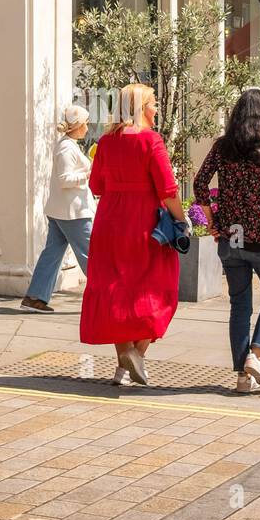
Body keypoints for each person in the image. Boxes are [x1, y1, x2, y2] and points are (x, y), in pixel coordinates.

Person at [193, 88, 260, 395]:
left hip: (232, 238)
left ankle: (243, 377)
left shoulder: (223, 146)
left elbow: (200, 182)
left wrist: (211, 220)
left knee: (239, 305)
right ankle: (257, 355)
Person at [80, 83, 186, 387]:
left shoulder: (106, 141)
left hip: (109, 224)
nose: (156, 109)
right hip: (144, 226)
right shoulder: (151, 141)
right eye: (153, 103)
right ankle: (137, 352)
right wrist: (182, 222)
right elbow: (168, 190)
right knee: (158, 290)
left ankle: (123, 366)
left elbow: (96, 187)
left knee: (116, 293)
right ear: (141, 107)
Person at [19, 105, 95, 314]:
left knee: (51, 254)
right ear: (78, 125)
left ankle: (35, 297)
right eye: (86, 123)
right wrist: (89, 174)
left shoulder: (67, 145)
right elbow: (64, 179)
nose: (88, 127)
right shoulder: (66, 148)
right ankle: (106, 297)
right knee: (92, 255)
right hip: (73, 213)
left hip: (63, 211)